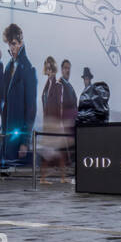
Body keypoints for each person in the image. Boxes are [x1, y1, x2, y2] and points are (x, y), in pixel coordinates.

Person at [1, 22, 37, 168]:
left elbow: (31, 109)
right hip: (7, 135)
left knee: (17, 184)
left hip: (18, 138)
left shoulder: (28, 69)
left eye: (14, 44)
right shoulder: (9, 66)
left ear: (21, 42)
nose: (12, 48)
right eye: (10, 44)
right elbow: (5, 103)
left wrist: (25, 142)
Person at [39, 56, 73, 184]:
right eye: (46, 67)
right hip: (48, 122)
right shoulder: (47, 85)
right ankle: (44, 178)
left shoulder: (57, 85)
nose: (47, 70)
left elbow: (59, 105)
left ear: (52, 68)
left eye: (49, 67)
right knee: (50, 152)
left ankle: (62, 177)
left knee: (60, 151)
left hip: (55, 122)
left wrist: (59, 123)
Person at [58, 59, 78, 168]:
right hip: (66, 120)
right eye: (65, 68)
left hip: (72, 120)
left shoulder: (69, 85)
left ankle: (70, 163)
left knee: (71, 143)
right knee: (67, 143)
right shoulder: (60, 84)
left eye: (69, 68)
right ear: (61, 69)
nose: (67, 70)